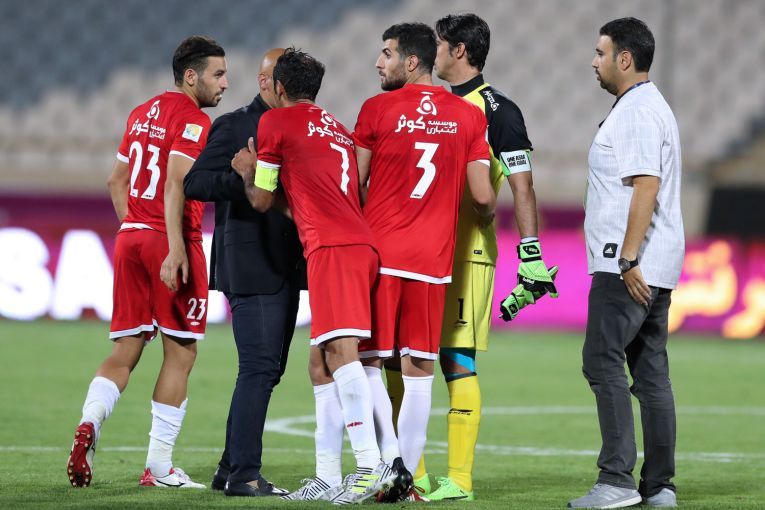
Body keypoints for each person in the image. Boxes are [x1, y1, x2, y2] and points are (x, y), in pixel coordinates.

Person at [388, 13, 555, 501]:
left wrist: (531, 255)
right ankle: (413, 475)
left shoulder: (498, 111)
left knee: (455, 360)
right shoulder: (430, 106)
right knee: (397, 358)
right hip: (419, 253)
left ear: (458, 50)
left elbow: (522, 185)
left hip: (467, 255)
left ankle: (458, 480)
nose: (433, 53)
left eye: (439, 45)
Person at [230, 47, 395, 505]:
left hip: (333, 249)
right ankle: (327, 476)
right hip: (353, 243)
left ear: (279, 87)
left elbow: (262, 199)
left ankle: (370, 467)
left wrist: (246, 172)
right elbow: (322, 197)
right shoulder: (335, 127)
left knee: (342, 355)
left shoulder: (275, 122)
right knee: (320, 364)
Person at [66, 36, 228, 488]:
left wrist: (134, 227)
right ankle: (159, 467)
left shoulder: (141, 113)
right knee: (181, 352)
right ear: (191, 76)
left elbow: (115, 182)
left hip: (131, 238)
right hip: (170, 241)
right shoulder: (193, 119)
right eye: (218, 74)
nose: (225, 84)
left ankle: (89, 423)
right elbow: (176, 184)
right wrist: (173, 248)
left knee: (126, 349)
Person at [353, 22, 496, 502]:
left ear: (411, 61)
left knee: (368, 360)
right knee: (419, 369)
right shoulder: (468, 117)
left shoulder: (376, 109)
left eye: (386, 53)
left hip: (381, 255)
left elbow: (355, 183)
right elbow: (483, 196)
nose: (379, 62)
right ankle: (409, 482)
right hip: (433, 261)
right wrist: (477, 216)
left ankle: (390, 461)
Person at [568, 17, 683, 509]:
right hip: (657, 262)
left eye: (600, 53)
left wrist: (628, 256)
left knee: (601, 359)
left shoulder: (636, 111)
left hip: (629, 264)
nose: (594, 62)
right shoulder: (652, 105)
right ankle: (659, 486)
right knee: (650, 371)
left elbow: (646, 184)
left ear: (625, 59)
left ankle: (616, 479)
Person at [183, 48, 304, 497]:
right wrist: (245, 178)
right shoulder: (235, 125)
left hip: (287, 264)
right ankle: (245, 475)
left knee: (269, 369)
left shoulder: (298, 127)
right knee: (258, 367)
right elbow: (195, 182)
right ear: (265, 81)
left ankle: (229, 467)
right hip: (250, 264)